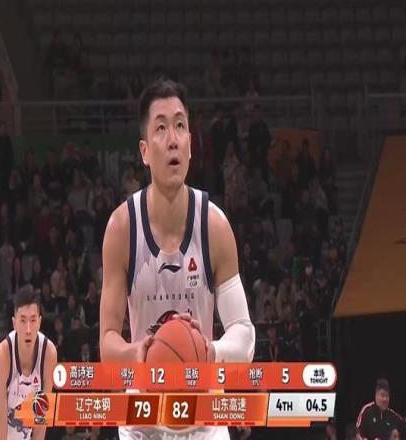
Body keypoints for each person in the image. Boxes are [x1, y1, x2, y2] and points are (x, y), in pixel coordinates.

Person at [99, 79, 255, 440]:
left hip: (204, 422)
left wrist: (209, 351)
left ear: (190, 145)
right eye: (161, 128)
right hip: (143, 422)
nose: (173, 139)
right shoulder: (122, 228)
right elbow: (107, 342)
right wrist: (136, 354)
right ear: (144, 151)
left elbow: (244, 334)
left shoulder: (214, 226)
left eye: (181, 126)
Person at [0, 289, 57, 440]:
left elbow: (42, 418)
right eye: (23, 320)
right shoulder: (2, 355)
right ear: (14, 323)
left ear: (39, 322)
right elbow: (1, 418)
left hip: (24, 433)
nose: (28, 329)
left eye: (33, 320)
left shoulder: (49, 353)